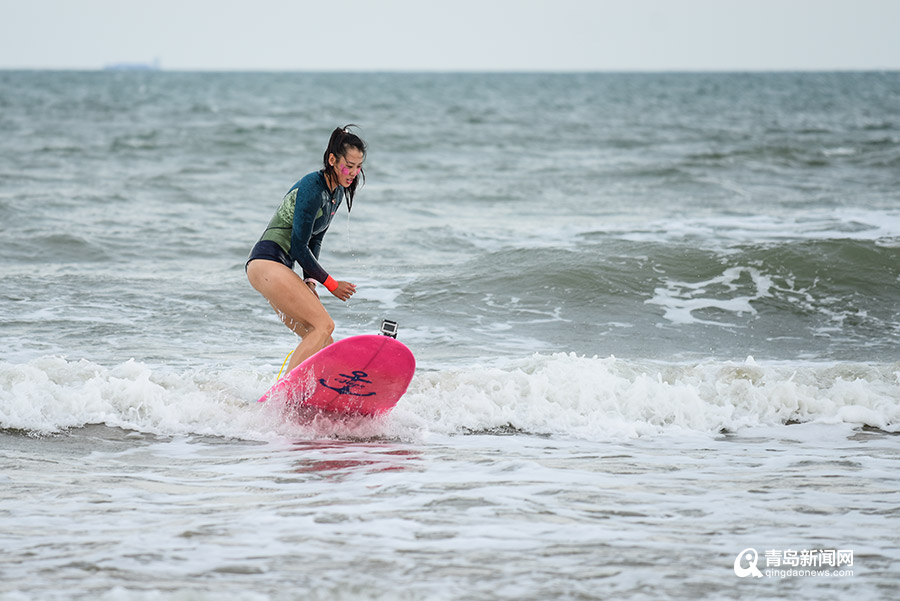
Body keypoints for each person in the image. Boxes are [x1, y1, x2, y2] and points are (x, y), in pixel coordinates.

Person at [246, 126, 366, 373]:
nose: (353, 173)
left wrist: (310, 281)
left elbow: (315, 240)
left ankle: (313, 397)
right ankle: (284, 395)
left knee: (322, 339)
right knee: (325, 325)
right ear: (332, 160)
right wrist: (331, 284)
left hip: (279, 269)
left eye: (358, 166)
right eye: (349, 165)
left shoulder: (337, 193)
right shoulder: (313, 187)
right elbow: (299, 246)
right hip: (267, 262)